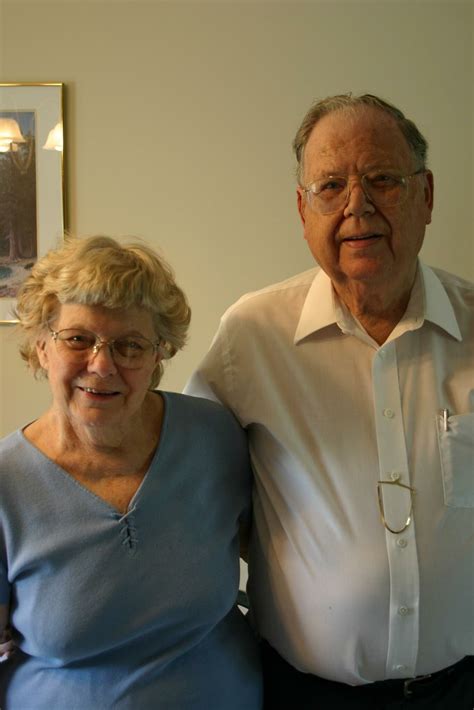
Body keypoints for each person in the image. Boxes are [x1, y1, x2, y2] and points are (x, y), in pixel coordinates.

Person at [185, 94, 474, 708]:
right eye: (331, 186)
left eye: (383, 180)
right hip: (304, 695)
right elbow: (194, 493)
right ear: (301, 208)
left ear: (426, 196)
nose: (357, 206)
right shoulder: (253, 335)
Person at [0, 235, 262, 709]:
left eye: (129, 345)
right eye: (78, 339)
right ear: (41, 347)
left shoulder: (214, 437)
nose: (102, 366)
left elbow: (272, 555)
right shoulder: (5, 485)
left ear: (158, 355)